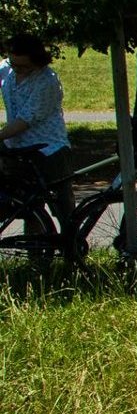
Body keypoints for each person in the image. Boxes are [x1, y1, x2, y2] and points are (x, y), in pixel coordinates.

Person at [1, 33, 77, 258]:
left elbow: (26, 120)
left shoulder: (47, 81)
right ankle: (36, 256)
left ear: (37, 61)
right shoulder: (8, 68)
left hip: (48, 148)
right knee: (28, 206)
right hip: (16, 148)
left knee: (63, 204)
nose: (16, 70)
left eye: (23, 66)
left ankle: (72, 252)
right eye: (13, 63)